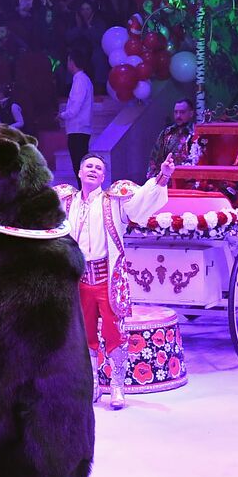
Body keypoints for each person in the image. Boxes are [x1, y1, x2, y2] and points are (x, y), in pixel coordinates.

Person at [56, 154, 174, 409]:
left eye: (99, 168)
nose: (93, 170)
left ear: (103, 176)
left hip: (107, 278)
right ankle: (93, 385)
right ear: (79, 171)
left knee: (115, 333)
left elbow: (144, 200)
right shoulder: (64, 201)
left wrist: (163, 176)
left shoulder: (116, 201)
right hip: (76, 277)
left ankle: (117, 387)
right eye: (89, 166)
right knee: (82, 333)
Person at [148, 98, 204, 179]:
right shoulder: (166, 133)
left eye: (182, 112)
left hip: (190, 180)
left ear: (191, 113)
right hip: (167, 179)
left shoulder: (197, 133)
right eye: (176, 112)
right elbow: (155, 158)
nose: (178, 116)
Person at [59, 49, 93, 178]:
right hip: (79, 128)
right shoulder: (81, 80)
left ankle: (84, 194)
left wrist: (62, 115)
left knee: (79, 166)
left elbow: (75, 108)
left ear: (72, 62)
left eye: (68, 60)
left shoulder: (80, 80)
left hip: (78, 128)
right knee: (79, 165)